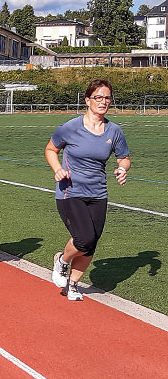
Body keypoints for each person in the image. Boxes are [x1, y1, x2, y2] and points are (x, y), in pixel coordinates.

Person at [45, 79, 130, 301]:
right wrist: (57, 168)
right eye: (98, 97)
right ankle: (62, 261)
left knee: (92, 242)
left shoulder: (114, 131)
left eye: (107, 97)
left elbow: (124, 157)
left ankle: (72, 285)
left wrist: (122, 168)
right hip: (70, 191)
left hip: (98, 193)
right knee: (83, 238)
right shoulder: (70, 128)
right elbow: (51, 149)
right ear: (87, 100)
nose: (103, 102)